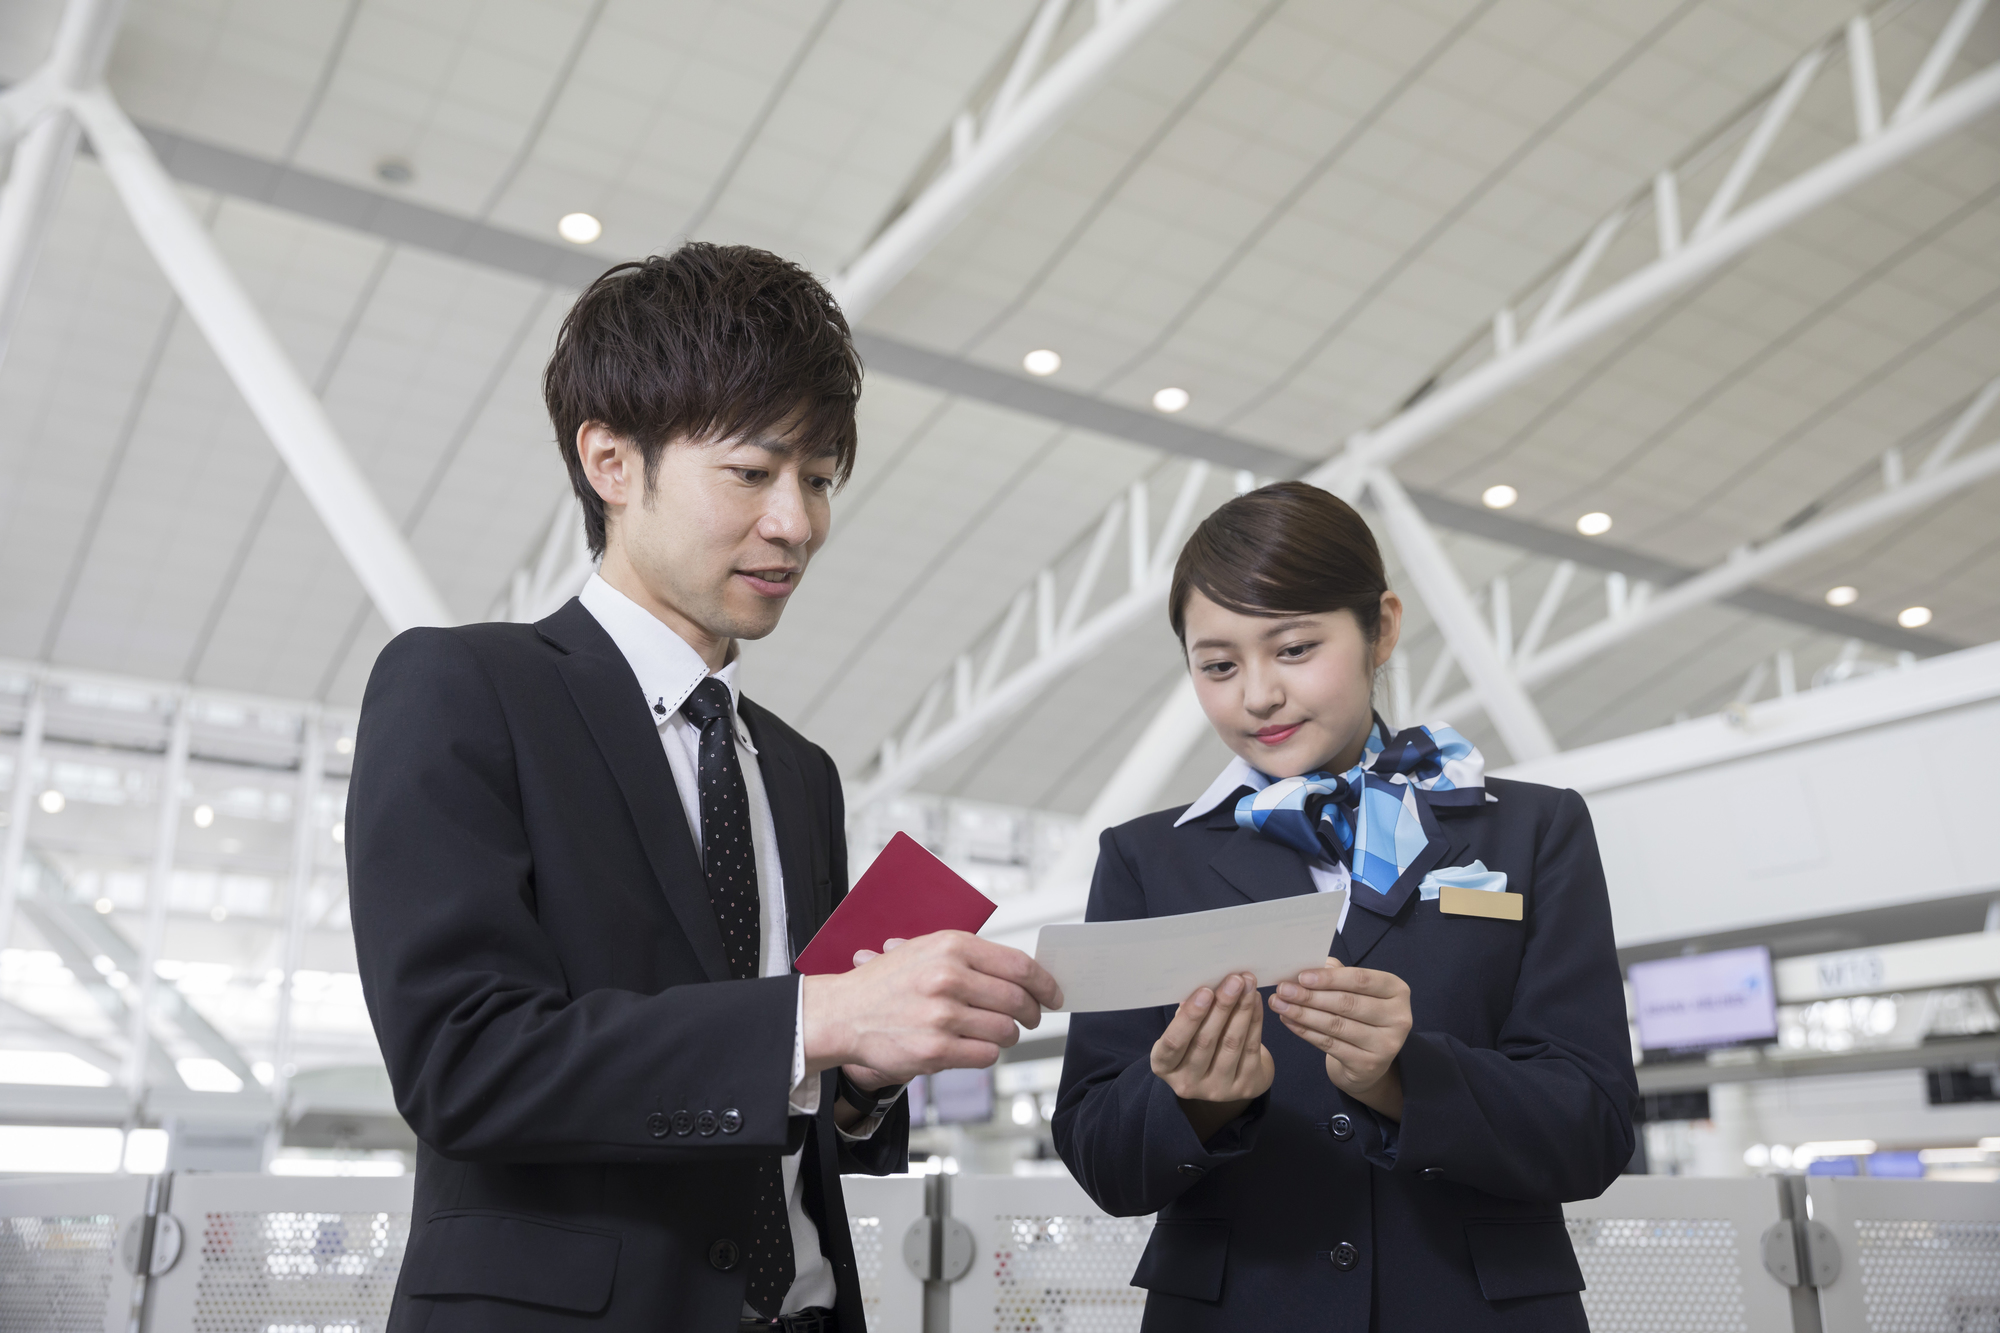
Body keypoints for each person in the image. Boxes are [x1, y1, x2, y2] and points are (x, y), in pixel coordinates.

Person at [347, 243, 1062, 1333]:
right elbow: (464, 1063)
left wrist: (865, 1069)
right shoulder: (462, 688)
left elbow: (796, 1104)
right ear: (611, 462)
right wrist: (816, 1015)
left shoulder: (798, 771)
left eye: (818, 479)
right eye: (752, 472)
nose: (797, 523)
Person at [1052, 480, 1636, 1331]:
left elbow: (1594, 1125)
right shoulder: (1148, 860)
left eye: (1293, 649)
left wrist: (1407, 1077)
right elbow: (1102, 1157)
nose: (1256, 694)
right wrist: (1194, 1101)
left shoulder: (1534, 832)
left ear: (1382, 629)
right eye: (1218, 665)